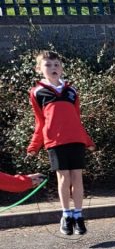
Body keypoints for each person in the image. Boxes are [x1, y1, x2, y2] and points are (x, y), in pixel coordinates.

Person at [26, 51, 95, 235]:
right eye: (48, 65)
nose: (53, 68)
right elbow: (40, 122)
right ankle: (66, 215)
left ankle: (78, 215)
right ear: (39, 69)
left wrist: (87, 140)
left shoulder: (72, 91)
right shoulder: (37, 92)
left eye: (56, 64)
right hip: (55, 141)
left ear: (62, 68)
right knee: (63, 177)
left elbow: (77, 119)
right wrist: (34, 146)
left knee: (77, 177)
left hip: (76, 139)